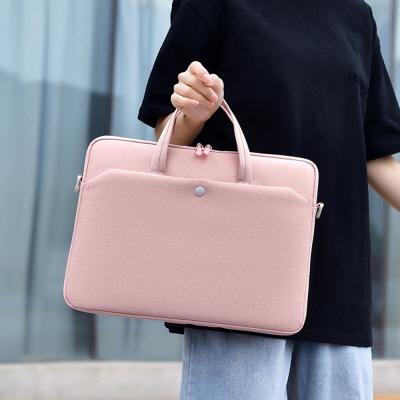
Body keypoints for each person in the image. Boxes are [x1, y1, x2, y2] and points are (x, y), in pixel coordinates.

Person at [138, 0, 400, 398]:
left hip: (337, 276)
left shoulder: (356, 14)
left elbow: (373, 153)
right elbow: (167, 136)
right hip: (240, 272)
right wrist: (195, 113)